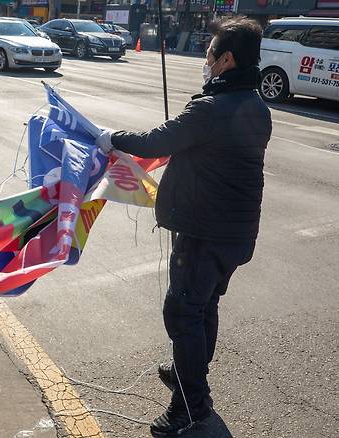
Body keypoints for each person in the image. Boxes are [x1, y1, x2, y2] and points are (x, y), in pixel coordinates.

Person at [96, 17, 271, 437]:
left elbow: (156, 141)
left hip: (204, 233)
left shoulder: (212, 108)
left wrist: (110, 138)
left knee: (182, 311)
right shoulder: (255, 104)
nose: (206, 60)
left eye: (210, 53)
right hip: (237, 234)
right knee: (203, 306)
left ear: (226, 60)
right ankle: (186, 372)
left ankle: (190, 409)